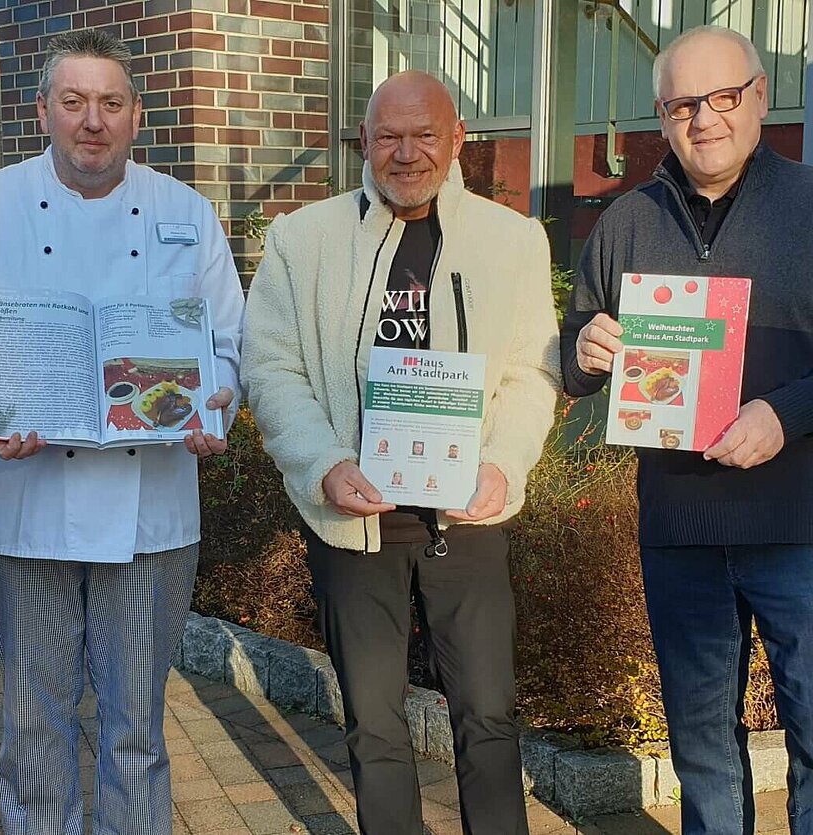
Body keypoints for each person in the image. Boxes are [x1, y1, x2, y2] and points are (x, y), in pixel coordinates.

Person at [0, 30, 245, 834]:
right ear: (43, 111)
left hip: (151, 511)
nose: (94, 121)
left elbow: (227, 343)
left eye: (111, 104)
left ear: (136, 117)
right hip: (24, 507)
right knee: (32, 725)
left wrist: (213, 404)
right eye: (75, 102)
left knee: (137, 729)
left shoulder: (185, 212)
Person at [241, 71, 559, 835]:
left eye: (424, 134)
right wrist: (322, 462)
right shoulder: (301, 240)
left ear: (457, 140)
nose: (406, 152)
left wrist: (503, 467)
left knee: (487, 713)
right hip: (355, 521)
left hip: (470, 517)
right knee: (374, 724)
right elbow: (271, 367)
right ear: (364, 142)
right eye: (388, 135)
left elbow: (531, 369)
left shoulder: (512, 240)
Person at [562, 25, 813, 834]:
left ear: (761, 95)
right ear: (661, 116)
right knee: (702, 743)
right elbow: (571, 363)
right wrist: (586, 350)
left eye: (723, 97)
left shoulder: (810, 207)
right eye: (682, 104)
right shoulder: (626, 222)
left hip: (798, 527)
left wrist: (786, 413)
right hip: (679, 531)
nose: (704, 118)